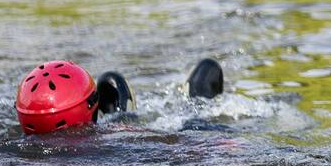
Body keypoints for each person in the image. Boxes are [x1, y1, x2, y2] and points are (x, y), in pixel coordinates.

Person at [15, 57, 224, 134]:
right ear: (89, 105)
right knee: (208, 70)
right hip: (122, 134)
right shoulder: (114, 141)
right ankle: (197, 100)